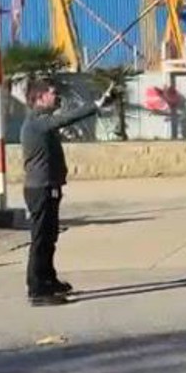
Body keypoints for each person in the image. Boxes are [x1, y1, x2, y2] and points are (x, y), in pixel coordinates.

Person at [21, 78, 119, 306]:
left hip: (49, 186)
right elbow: (67, 118)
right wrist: (96, 105)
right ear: (39, 98)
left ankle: (48, 279)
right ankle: (37, 290)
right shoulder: (36, 121)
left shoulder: (43, 121)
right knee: (41, 239)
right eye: (52, 93)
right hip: (40, 188)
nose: (57, 97)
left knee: (50, 237)